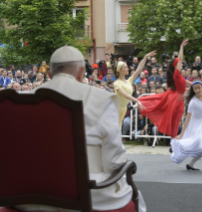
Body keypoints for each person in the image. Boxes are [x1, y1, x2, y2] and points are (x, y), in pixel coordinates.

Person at [14, 46, 147, 212]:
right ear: (81, 73)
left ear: (49, 75)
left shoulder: (19, 101)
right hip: (88, 194)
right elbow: (114, 163)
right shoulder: (102, 99)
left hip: (28, 196)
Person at [138, 39, 188, 138]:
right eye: (180, 63)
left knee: (175, 124)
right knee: (175, 124)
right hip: (177, 100)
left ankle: (174, 144)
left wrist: (196, 83)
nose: (182, 63)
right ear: (176, 66)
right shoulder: (177, 75)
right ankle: (174, 144)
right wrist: (181, 47)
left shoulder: (178, 76)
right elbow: (180, 59)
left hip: (178, 99)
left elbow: (187, 82)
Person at [170, 80, 202, 173]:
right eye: (195, 88)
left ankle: (191, 164)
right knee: (201, 142)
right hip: (194, 124)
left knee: (201, 146)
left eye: (199, 87)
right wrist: (182, 134)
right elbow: (187, 119)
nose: (197, 90)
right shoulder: (192, 102)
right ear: (193, 90)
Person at [113, 51, 156, 128]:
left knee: (117, 129)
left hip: (123, 108)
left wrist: (145, 57)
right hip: (116, 109)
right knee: (114, 129)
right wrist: (137, 100)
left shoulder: (129, 81)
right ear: (119, 71)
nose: (128, 69)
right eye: (125, 67)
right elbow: (125, 95)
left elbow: (139, 69)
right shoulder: (117, 83)